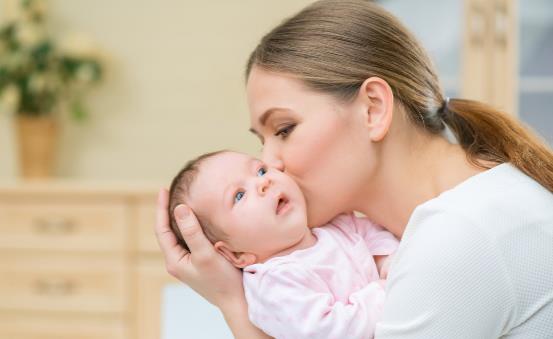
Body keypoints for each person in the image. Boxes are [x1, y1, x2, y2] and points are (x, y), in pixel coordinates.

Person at [154, 0, 553, 338]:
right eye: (263, 142)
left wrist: (232, 302)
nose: (270, 165)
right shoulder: (474, 206)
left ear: (373, 108)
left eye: (284, 129)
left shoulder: (457, 239)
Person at [167, 150, 398, 338]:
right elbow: (327, 331)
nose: (263, 182)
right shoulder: (273, 283)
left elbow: (374, 234)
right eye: (239, 195)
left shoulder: (334, 225)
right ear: (235, 254)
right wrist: (386, 289)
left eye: (260, 170)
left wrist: (387, 261)